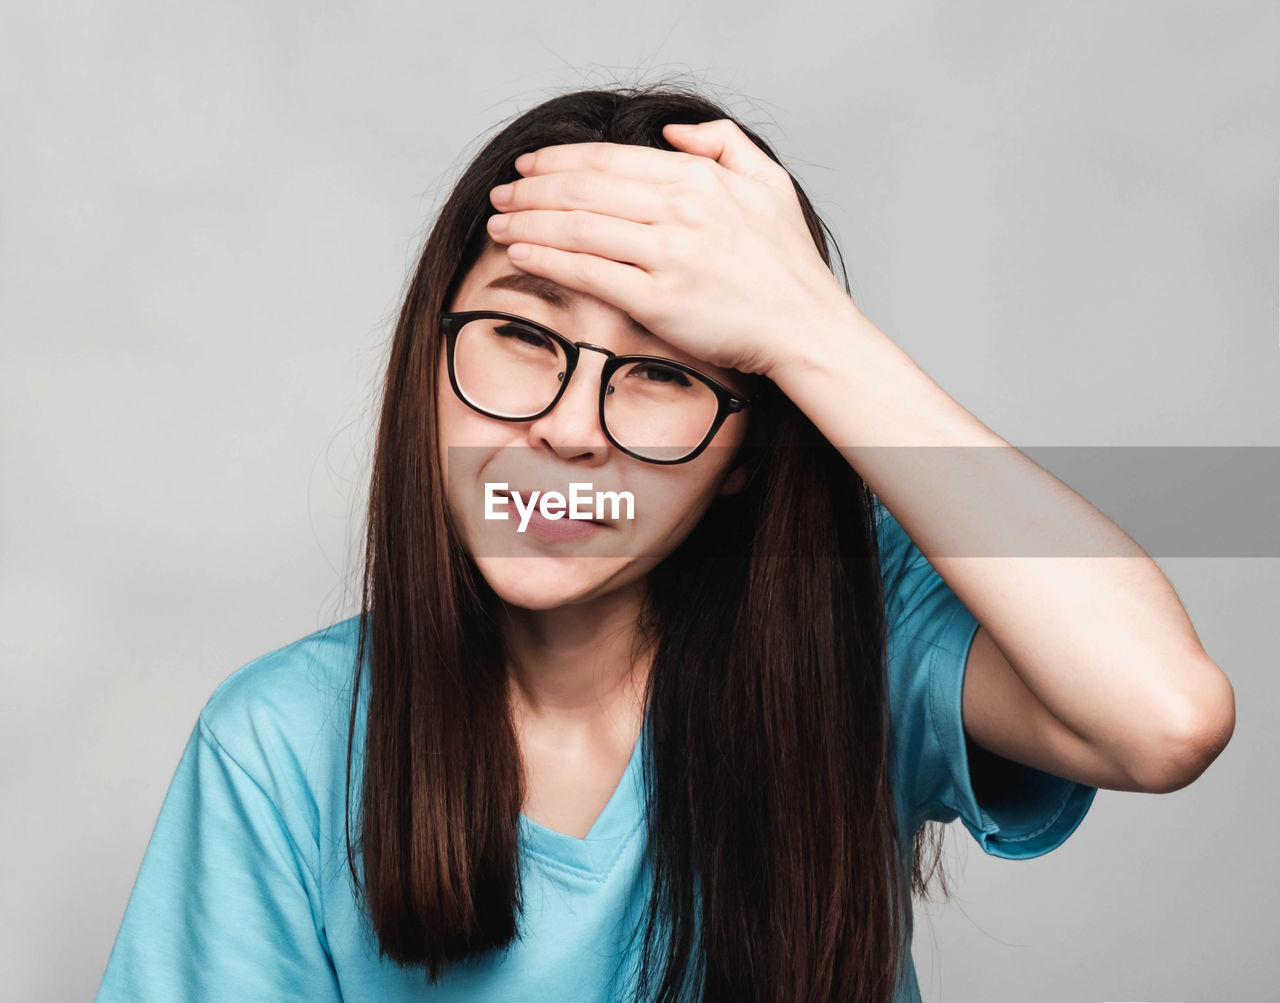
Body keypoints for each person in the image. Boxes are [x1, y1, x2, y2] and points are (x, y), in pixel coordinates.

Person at [96, 84, 1235, 1002]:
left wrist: (807, 328)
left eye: (660, 372)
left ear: (744, 448)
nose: (570, 429)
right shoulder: (281, 745)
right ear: (424, 364)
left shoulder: (862, 641)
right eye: (518, 335)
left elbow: (1163, 716)